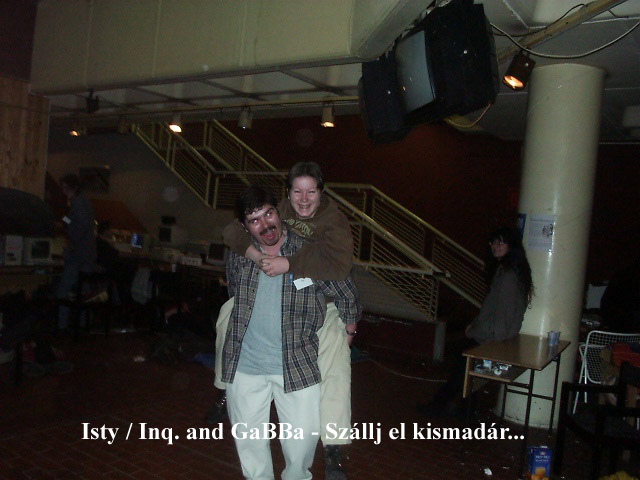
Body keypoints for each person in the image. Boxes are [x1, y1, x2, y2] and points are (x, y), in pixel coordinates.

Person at [210, 162, 356, 479]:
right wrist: (254, 255)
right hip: (247, 366)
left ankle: (330, 450)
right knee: (250, 447)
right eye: (254, 220)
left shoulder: (328, 231)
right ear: (287, 196)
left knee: (306, 438)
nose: (264, 224)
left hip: (303, 349)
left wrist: (349, 325)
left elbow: (344, 281)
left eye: (311, 192)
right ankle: (224, 385)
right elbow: (233, 267)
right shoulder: (244, 249)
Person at [418, 226, 533, 416]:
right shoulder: (510, 270)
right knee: (464, 370)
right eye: (493, 242)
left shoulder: (507, 276)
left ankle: (441, 406)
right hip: (493, 334)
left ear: (511, 245)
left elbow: (503, 314)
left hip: (492, 337)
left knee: (462, 368)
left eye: (501, 242)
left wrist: (481, 335)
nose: (495, 246)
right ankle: (462, 409)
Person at [56, 174, 97, 329]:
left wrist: (72, 241)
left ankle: (61, 326)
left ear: (72, 187)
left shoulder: (77, 202)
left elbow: (81, 224)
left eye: (65, 187)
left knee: (63, 291)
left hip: (77, 253)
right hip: (88, 253)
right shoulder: (83, 201)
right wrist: (64, 221)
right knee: (84, 292)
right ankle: (84, 324)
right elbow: (75, 220)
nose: (63, 191)